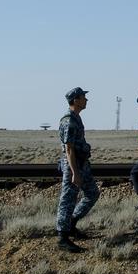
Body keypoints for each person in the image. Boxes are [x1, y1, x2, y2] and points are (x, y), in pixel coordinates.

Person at [55, 87, 100, 252]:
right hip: (73, 165)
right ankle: (63, 237)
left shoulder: (76, 118)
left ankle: (71, 223)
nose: (86, 100)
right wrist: (74, 173)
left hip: (82, 164)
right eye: (83, 97)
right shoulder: (69, 121)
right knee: (67, 200)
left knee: (92, 193)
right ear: (75, 100)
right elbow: (69, 149)